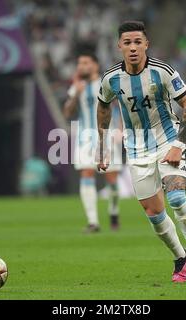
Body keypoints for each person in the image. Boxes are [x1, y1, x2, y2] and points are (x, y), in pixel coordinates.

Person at [96, 21, 186, 283]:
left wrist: (178, 145)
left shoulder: (164, 72)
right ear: (119, 46)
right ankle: (180, 257)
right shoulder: (111, 79)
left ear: (146, 44)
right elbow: (103, 108)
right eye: (127, 43)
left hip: (168, 141)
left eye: (138, 42)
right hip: (136, 150)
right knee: (154, 215)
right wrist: (102, 146)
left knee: (177, 199)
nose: (133, 48)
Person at [64, 52, 123, 233]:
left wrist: (121, 129)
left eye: (86, 62)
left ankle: (113, 210)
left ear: (95, 65)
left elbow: (121, 105)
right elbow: (67, 112)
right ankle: (93, 221)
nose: (82, 66)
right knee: (87, 173)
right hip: (84, 137)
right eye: (80, 63)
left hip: (107, 135)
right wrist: (76, 93)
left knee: (111, 178)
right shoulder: (77, 86)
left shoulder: (106, 83)